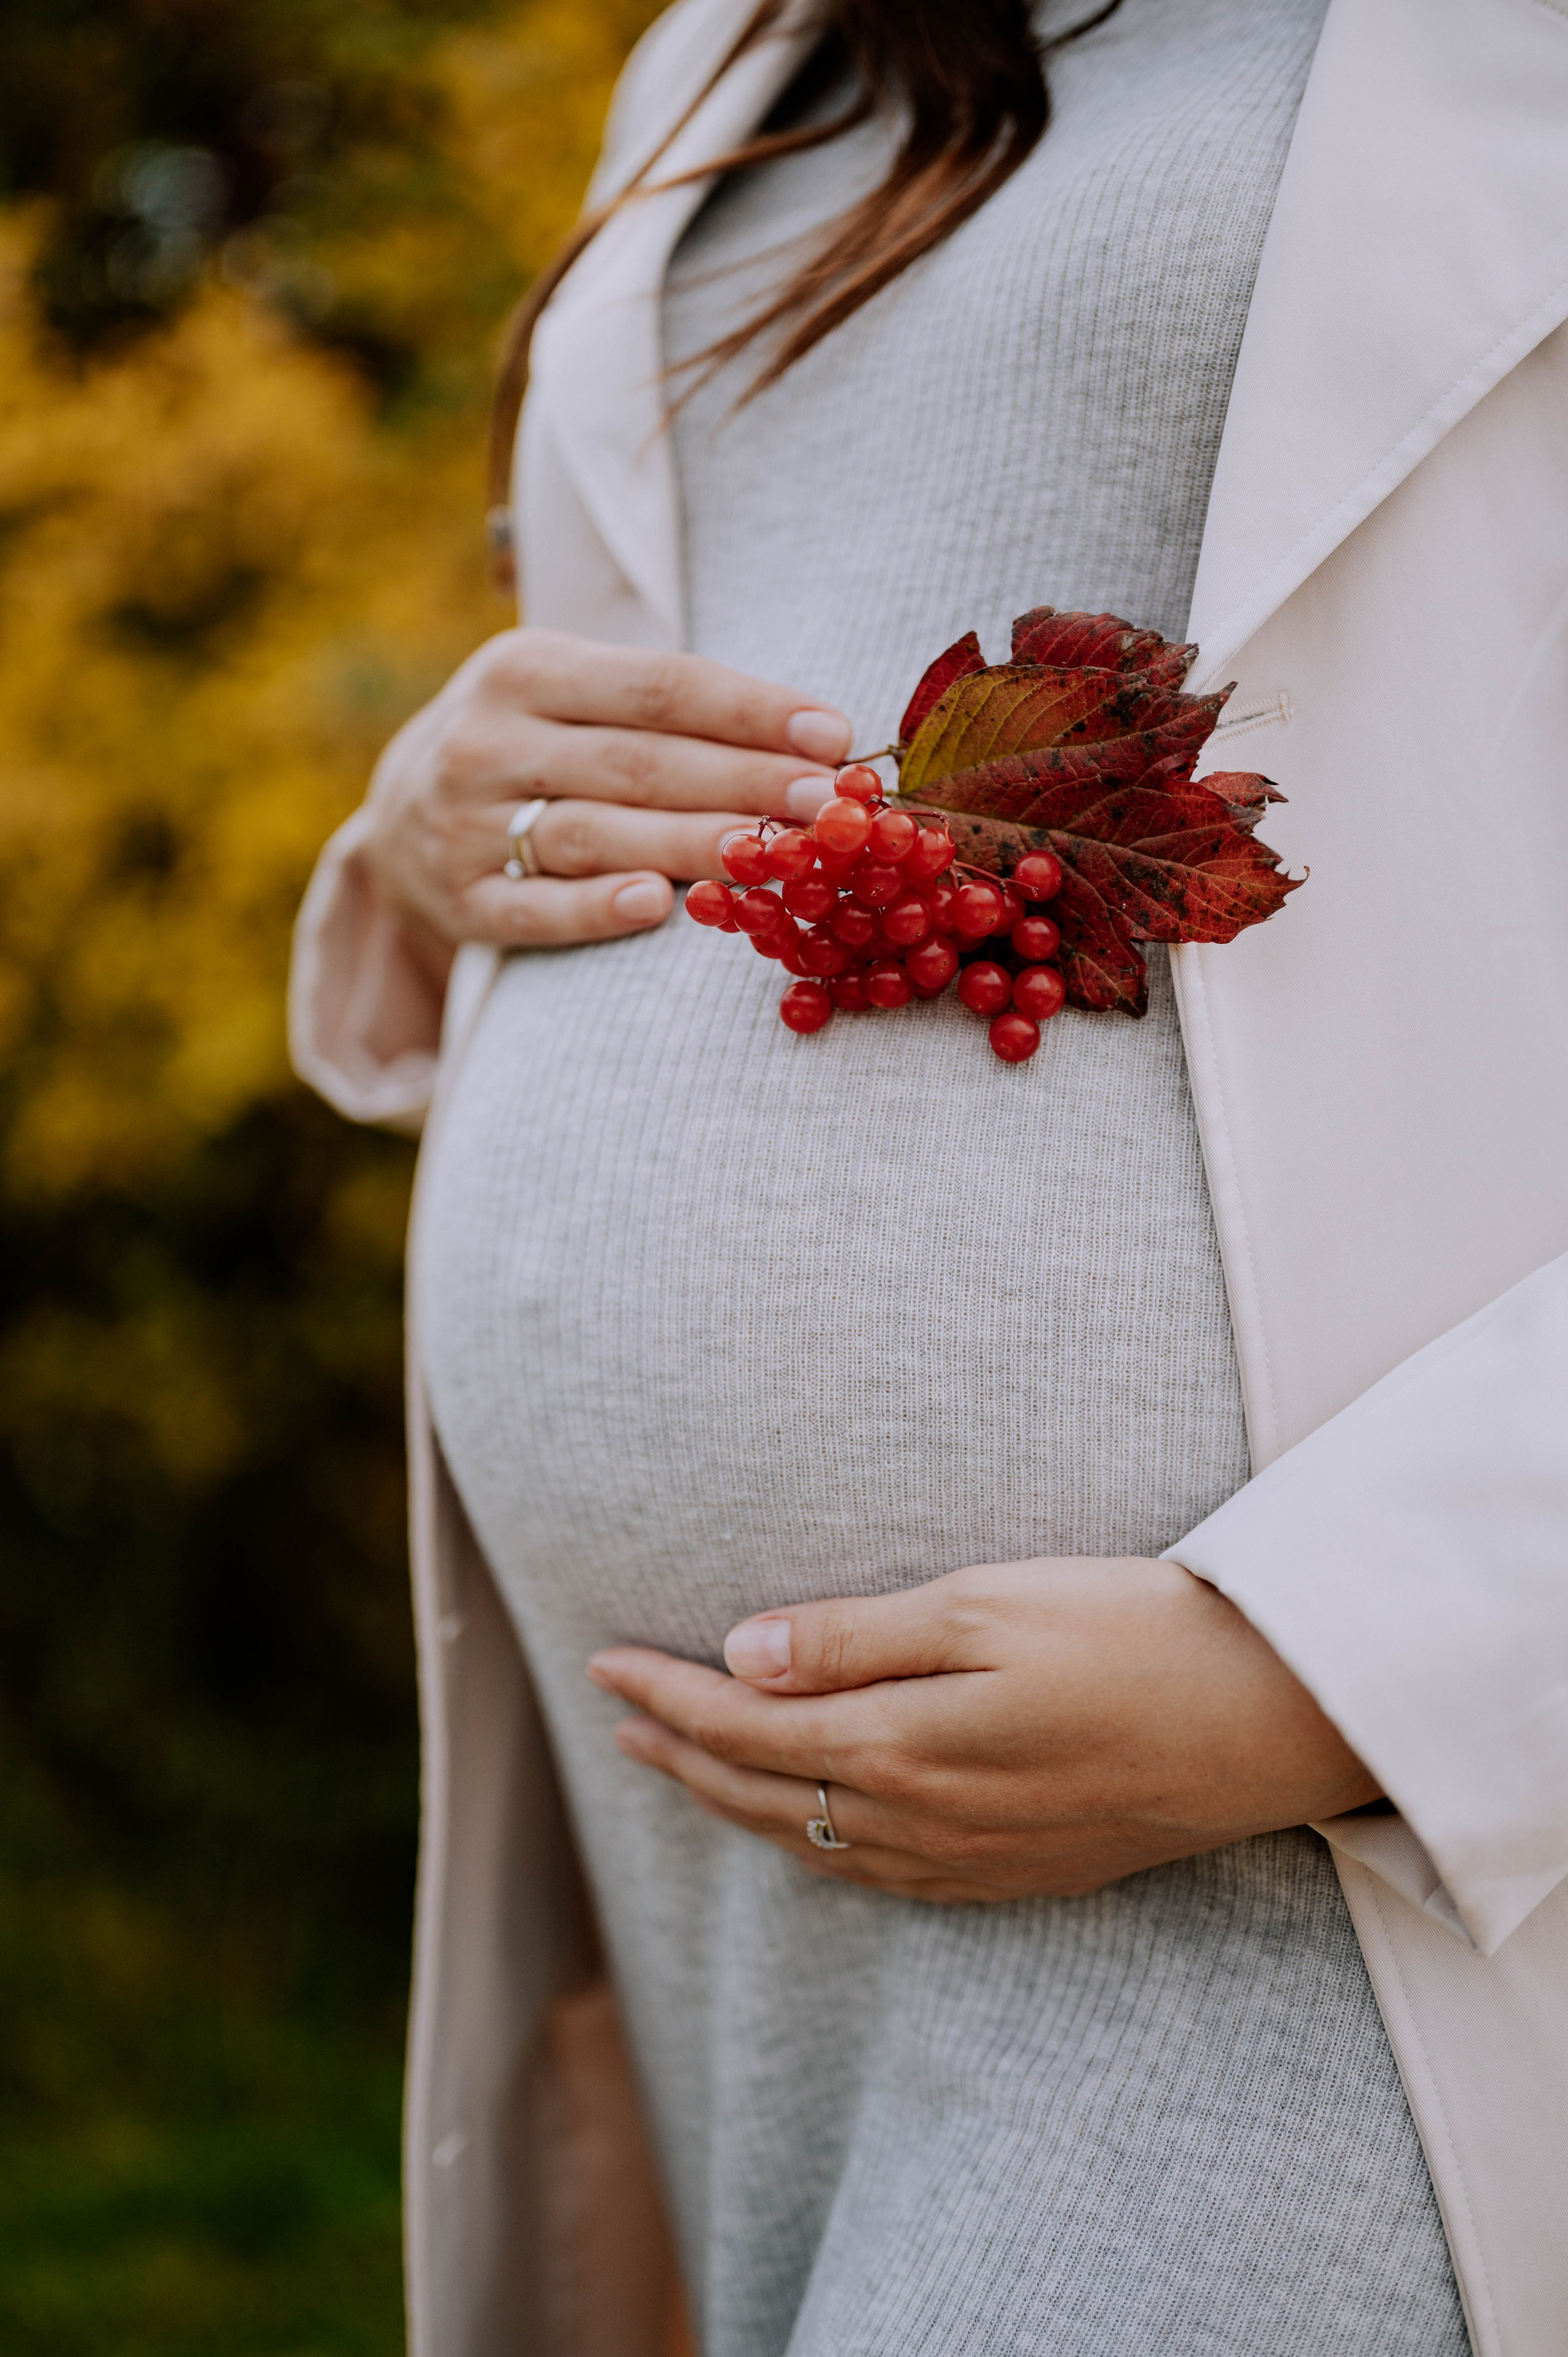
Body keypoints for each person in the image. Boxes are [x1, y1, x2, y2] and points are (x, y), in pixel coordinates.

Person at [288, 1, 1568, 2351]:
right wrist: (423, 841)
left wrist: (1353, 1669)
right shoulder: (736, 53)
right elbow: (711, 699)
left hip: (1317, 1878)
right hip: (708, 1880)